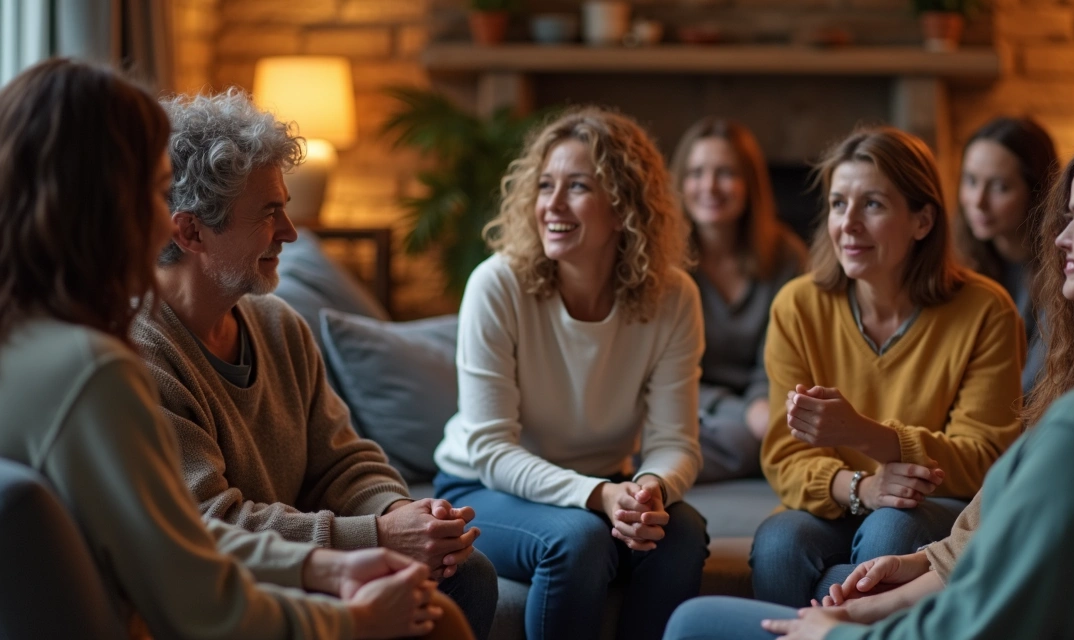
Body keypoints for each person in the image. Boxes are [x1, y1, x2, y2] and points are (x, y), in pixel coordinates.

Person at [664, 112, 1074, 640]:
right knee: (784, 543)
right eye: (836, 203)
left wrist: (841, 630)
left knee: (699, 621)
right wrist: (870, 515)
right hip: (875, 530)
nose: (1060, 239)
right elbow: (999, 558)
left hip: (928, 537)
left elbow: (984, 614)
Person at [0, 58, 468, 640]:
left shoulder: (29, 339)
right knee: (439, 620)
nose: (165, 222)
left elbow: (177, 539)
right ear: (108, 207)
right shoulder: (97, 370)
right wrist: (357, 620)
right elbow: (200, 599)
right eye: (155, 191)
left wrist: (326, 563)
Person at [130, 89, 497, 638]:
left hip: (310, 568)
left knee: (465, 573)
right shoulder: (139, 354)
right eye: (269, 213)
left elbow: (342, 462)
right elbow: (211, 523)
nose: (291, 232)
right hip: (226, 591)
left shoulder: (279, 325)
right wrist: (377, 536)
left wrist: (402, 515)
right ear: (190, 232)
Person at [431, 106, 709, 640]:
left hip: (605, 482)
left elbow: (676, 442)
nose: (552, 205)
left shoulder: (674, 297)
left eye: (577, 186)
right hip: (483, 485)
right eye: (545, 185)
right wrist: (599, 496)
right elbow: (490, 449)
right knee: (578, 538)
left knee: (682, 532)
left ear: (624, 206)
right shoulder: (497, 285)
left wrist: (650, 488)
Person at [750, 126, 1026, 608]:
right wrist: (863, 486)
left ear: (922, 221)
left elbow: (984, 458)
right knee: (778, 546)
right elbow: (784, 457)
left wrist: (864, 435)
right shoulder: (797, 306)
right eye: (838, 204)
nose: (849, 224)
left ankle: (846, 622)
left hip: (933, 506)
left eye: (873, 205)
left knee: (888, 531)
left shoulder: (987, 310)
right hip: (844, 498)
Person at [669, 117, 807, 483]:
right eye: (696, 173)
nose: (709, 186)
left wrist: (762, 405)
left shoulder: (786, 256)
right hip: (682, 403)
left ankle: (656, 464)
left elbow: (782, 355)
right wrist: (743, 411)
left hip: (762, 406)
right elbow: (665, 372)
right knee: (742, 443)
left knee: (762, 437)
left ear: (750, 184)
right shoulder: (663, 260)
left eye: (726, 173)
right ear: (680, 183)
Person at [955, 117, 1058, 394]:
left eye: (999, 187)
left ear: (1035, 192)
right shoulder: (959, 260)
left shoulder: (1059, 273)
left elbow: (1034, 385)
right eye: (971, 181)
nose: (978, 201)